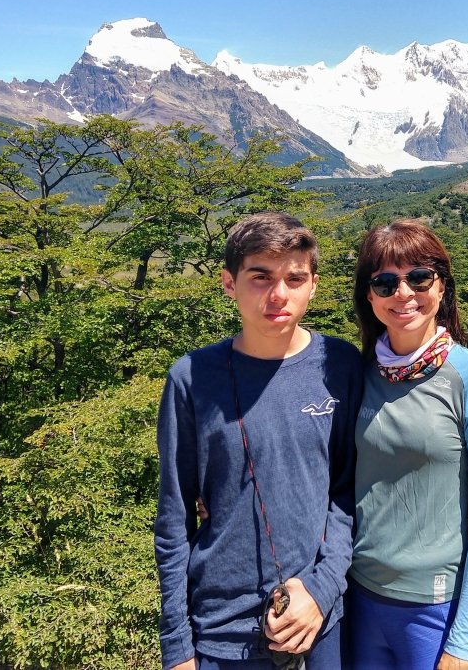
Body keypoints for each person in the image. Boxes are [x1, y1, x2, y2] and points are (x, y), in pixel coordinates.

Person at [154, 212, 362, 670]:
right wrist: (177, 647)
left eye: (295, 277)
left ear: (314, 285)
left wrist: (321, 587)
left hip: (322, 620)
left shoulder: (340, 365)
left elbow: (347, 492)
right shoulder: (192, 379)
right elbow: (173, 519)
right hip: (223, 634)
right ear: (229, 283)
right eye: (261, 277)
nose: (278, 294)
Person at [348, 219, 468, 670]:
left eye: (419, 277)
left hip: (434, 607)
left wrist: (462, 641)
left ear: (442, 288)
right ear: (370, 295)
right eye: (385, 282)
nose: (403, 293)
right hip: (358, 596)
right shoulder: (357, 374)